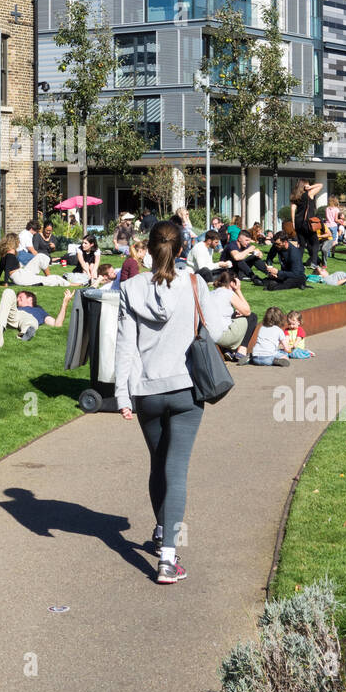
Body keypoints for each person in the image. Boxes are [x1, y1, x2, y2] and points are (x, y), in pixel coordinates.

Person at [114, 220, 208, 585]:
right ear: (182, 249)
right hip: (187, 389)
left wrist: (123, 395)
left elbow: (124, 346)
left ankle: (161, 531)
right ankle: (168, 558)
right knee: (176, 469)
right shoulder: (194, 284)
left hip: (147, 391)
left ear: (147, 250)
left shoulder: (130, 287)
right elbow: (216, 326)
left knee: (159, 462)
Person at [0, 283, 74, 346]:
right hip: (14, 315)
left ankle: (25, 333)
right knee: (8, 291)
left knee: (30, 321)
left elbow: (57, 324)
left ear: (30, 299)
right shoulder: (16, 307)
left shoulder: (39, 311)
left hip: (28, 318)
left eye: (20, 297)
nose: (17, 299)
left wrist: (65, 303)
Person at [204, 269, 257, 363]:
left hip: (209, 335)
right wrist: (238, 290)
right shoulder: (229, 293)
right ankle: (242, 349)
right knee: (252, 317)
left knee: (233, 317)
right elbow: (247, 311)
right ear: (233, 283)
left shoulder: (210, 293)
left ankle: (228, 351)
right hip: (222, 336)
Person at [291, 179, 323, 271]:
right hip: (308, 223)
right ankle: (313, 262)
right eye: (308, 184)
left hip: (298, 223)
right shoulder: (309, 194)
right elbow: (320, 185)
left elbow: (293, 210)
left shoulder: (295, 196)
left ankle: (298, 263)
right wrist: (311, 187)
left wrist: (293, 223)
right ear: (305, 185)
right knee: (315, 243)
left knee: (301, 244)